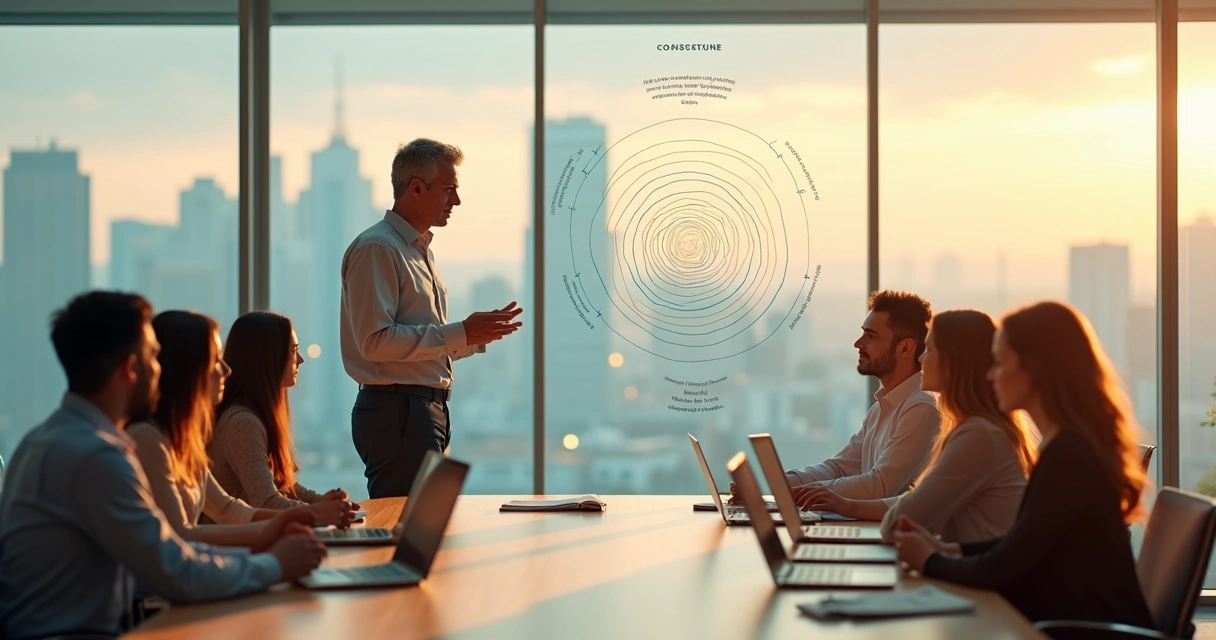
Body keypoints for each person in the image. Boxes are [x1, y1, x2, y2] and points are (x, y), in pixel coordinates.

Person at [0, 292, 325, 640]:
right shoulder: (95, 456)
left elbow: (172, 551)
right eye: (154, 356)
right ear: (130, 368)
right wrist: (275, 564)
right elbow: (175, 571)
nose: (162, 367)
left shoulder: (49, 439)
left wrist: (265, 541)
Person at [894, 301, 1153, 628]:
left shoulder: (1069, 455)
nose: (990, 375)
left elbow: (1003, 567)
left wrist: (930, 560)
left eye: (1000, 363)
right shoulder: (1066, 447)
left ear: (1034, 369)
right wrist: (949, 548)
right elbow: (1019, 543)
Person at [340, 138, 523, 498]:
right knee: (404, 526)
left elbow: (415, 342)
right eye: (449, 190)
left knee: (423, 525)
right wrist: (459, 332)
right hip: (400, 412)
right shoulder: (379, 248)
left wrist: (471, 337)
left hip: (421, 410)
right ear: (417, 188)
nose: (456, 201)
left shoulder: (418, 251)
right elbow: (375, 342)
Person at [795, 309, 1037, 542]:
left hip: (976, 581)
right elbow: (913, 501)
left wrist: (841, 502)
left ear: (954, 361)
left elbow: (899, 520)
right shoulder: (974, 429)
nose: (921, 358)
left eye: (929, 350)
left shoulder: (977, 434)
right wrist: (842, 503)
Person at [129, 310, 322, 548]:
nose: (226, 370)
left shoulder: (182, 437)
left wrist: (310, 514)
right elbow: (183, 537)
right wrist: (306, 523)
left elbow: (226, 508)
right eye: (215, 360)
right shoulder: (149, 438)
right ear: (186, 369)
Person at [731, 290, 940, 503]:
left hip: (889, 535)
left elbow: (880, 486)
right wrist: (776, 484)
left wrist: (797, 493)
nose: (858, 343)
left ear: (905, 347)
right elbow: (839, 467)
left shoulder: (920, 409)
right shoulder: (882, 408)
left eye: (871, 336)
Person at [209, 311, 357, 526]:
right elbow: (267, 502)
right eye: (294, 351)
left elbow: (281, 485)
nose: (301, 359)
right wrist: (319, 513)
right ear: (268, 357)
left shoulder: (248, 416)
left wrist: (322, 503)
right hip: (236, 545)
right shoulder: (242, 423)